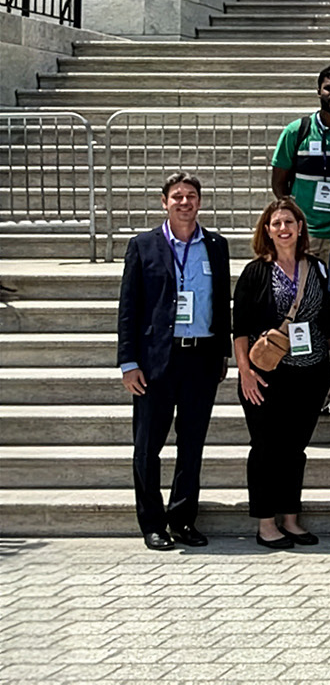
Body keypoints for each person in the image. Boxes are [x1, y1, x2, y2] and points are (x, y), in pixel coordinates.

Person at [117, 172, 232, 549]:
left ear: (200, 202)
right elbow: (129, 308)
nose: (185, 203)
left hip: (200, 356)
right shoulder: (143, 245)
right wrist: (128, 361)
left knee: (192, 443)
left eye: (192, 196)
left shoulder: (216, 245)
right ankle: (152, 523)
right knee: (148, 446)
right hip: (155, 361)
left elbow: (221, 304)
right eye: (178, 197)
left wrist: (223, 353)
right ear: (164, 202)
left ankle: (182, 518)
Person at [232, 197, 330, 549]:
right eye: (276, 223)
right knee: (265, 448)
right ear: (267, 230)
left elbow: (329, 322)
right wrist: (244, 372)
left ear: (301, 228)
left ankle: (290, 518)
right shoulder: (255, 271)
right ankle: (266, 522)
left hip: (311, 373)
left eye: (289, 223)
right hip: (266, 375)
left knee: (295, 448)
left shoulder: (317, 268)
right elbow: (241, 328)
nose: (283, 229)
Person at [270, 64, 330, 265]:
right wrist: (293, 220)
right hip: (305, 234)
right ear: (318, 91)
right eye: (329, 88)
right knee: (301, 294)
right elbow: (278, 182)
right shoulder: (296, 131)